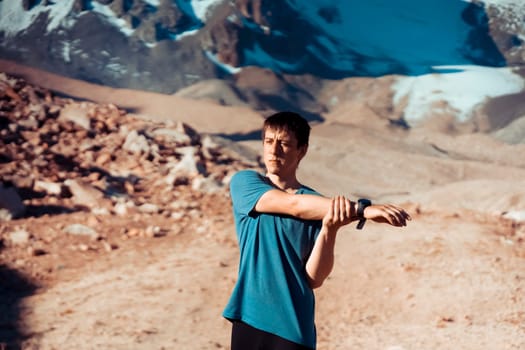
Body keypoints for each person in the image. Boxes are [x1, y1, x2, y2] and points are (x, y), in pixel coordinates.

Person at [223, 111, 411, 350]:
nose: (274, 150)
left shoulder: (317, 205)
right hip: (248, 315)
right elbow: (293, 206)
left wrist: (329, 230)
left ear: (301, 150)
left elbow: (313, 278)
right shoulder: (246, 183)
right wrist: (362, 210)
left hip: (293, 326)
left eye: (284, 143)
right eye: (269, 141)